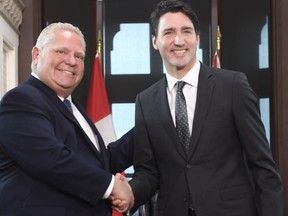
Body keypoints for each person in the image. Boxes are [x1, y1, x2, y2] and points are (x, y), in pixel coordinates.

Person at [124, 1, 283, 216]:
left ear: (197, 37)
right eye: (168, 33)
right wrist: (129, 192)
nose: (178, 41)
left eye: (186, 31)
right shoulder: (145, 101)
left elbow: (263, 166)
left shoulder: (233, 86)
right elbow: (148, 171)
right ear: (155, 41)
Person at [0, 22, 134, 216]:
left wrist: (152, 123)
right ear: (36, 55)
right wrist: (111, 185)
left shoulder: (72, 106)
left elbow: (99, 162)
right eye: (61, 52)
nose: (71, 61)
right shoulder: (20, 100)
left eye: (79, 56)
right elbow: (50, 158)